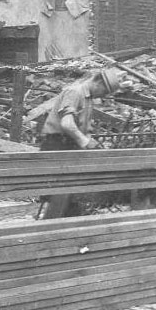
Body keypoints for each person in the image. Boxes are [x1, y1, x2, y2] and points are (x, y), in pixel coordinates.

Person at [39, 68, 125, 218]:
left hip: (68, 145)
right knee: (58, 194)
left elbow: (82, 127)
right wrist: (85, 142)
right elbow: (67, 124)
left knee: (70, 194)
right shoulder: (75, 92)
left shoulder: (88, 99)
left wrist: (91, 141)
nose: (103, 96)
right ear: (98, 82)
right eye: (104, 92)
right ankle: (50, 229)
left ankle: (65, 227)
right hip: (57, 145)